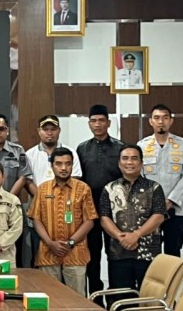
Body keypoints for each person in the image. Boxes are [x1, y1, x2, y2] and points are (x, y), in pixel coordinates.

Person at [99, 145, 167, 299]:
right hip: (118, 252)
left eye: (134, 158)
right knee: (120, 298)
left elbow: (159, 215)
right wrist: (121, 237)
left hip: (148, 253)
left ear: (141, 163)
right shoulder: (109, 188)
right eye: (125, 158)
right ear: (119, 163)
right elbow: (104, 217)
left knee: (149, 297)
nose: (130, 162)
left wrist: (136, 235)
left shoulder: (154, 187)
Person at [28, 148, 97, 295]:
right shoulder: (42, 189)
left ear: (73, 165)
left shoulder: (83, 189)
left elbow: (89, 220)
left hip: (75, 253)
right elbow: (36, 219)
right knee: (50, 299)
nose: (64, 168)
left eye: (68, 164)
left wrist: (71, 242)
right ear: (52, 166)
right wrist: (50, 243)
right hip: (48, 252)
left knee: (77, 300)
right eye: (59, 164)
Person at [76, 104, 123, 297]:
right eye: (93, 121)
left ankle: (115, 298)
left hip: (115, 212)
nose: (98, 124)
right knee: (92, 257)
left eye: (101, 120)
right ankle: (94, 298)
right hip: (91, 213)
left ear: (109, 123)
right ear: (89, 124)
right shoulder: (82, 149)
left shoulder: (121, 147)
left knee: (115, 256)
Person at [25, 115, 82, 268]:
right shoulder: (29, 154)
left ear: (59, 131)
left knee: (69, 259)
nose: (49, 133)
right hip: (39, 215)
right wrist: (45, 200)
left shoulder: (70, 152)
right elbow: (28, 182)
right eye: (45, 129)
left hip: (67, 215)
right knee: (40, 258)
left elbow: (75, 179)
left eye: (53, 129)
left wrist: (57, 200)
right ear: (39, 131)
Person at [137, 104, 183, 257]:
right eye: (156, 118)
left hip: (176, 209)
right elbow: (139, 176)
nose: (161, 122)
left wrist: (170, 201)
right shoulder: (142, 146)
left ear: (171, 121)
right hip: (150, 209)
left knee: (173, 252)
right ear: (150, 121)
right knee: (149, 252)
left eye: (165, 118)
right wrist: (155, 203)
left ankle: (173, 282)